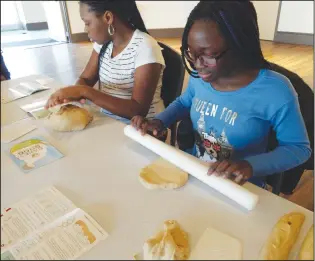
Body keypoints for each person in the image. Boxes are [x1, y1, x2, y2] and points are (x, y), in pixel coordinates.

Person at [131, 1, 311, 188]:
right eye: (190, 52)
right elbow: (185, 102)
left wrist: (249, 166)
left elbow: (298, 149)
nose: (197, 64)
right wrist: (160, 121)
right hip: (195, 173)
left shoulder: (275, 90)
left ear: (240, 43)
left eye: (208, 54)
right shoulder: (201, 77)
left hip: (239, 189)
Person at [45, 0, 165, 124]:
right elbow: (86, 79)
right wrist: (73, 94)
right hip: (110, 122)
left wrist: (84, 91)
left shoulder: (145, 47)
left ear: (108, 17)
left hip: (142, 130)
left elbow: (137, 110)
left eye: (87, 23)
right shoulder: (104, 43)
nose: (86, 29)